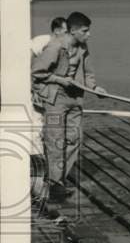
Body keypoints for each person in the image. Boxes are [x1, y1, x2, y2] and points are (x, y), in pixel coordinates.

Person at [30, 11, 107, 201]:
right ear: (73, 31)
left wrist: (95, 88)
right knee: (55, 141)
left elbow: (88, 74)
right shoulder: (55, 47)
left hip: (75, 99)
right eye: (85, 31)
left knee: (74, 139)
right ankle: (56, 186)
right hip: (56, 99)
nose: (89, 34)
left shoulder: (82, 47)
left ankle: (57, 180)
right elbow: (37, 72)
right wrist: (60, 80)